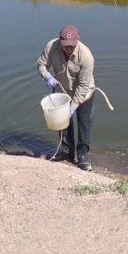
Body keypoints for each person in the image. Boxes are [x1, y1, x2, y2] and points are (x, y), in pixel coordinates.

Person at [37, 25, 95, 171]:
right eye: (65, 46)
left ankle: (82, 156)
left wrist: (73, 107)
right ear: (60, 39)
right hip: (62, 91)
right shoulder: (51, 46)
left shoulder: (86, 56)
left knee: (84, 123)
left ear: (78, 40)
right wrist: (48, 76)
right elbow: (41, 65)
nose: (68, 49)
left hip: (84, 93)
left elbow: (82, 86)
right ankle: (66, 152)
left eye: (71, 46)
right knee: (62, 123)